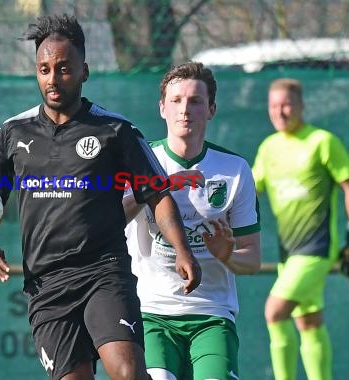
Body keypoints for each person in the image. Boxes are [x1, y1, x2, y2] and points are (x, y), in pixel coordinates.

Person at [0, 14, 201, 380]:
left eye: (63, 69)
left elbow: (157, 195)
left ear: (84, 72)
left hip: (103, 271)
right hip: (46, 283)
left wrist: (182, 249)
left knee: (127, 372)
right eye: (44, 69)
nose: (52, 78)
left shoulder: (116, 130)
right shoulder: (12, 133)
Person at [124, 62, 261, 379]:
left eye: (195, 101)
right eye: (176, 100)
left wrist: (226, 254)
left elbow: (252, 259)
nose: (185, 109)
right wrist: (155, 188)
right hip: (150, 311)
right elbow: (109, 222)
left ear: (211, 109)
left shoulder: (234, 170)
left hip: (212, 314)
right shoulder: (138, 161)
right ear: (162, 108)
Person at [252, 78, 349, 380]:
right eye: (274, 106)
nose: (280, 112)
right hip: (287, 253)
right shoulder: (269, 148)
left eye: (286, 104)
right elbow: (249, 191)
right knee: (309, 321)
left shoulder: (322, 141)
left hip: (317, 250)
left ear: (301, 106)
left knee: (274, 312)